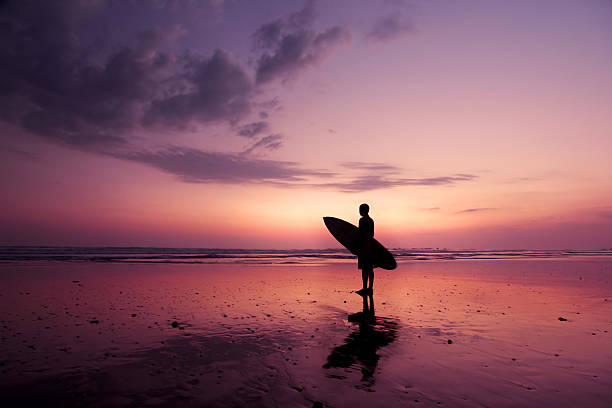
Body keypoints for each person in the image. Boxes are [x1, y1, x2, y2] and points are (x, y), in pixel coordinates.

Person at [356, 203, 374, 295]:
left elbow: (360, 234)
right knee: (370, 268)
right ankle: (370, 288)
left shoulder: (362, 220)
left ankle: (364, 288)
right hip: (370, 246)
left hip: (363, 247)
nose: (359, 211)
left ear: (363, 210)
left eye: (360, 209)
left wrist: (356, 246)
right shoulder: (371, 220)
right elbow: (372, 235)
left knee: (364, 269)